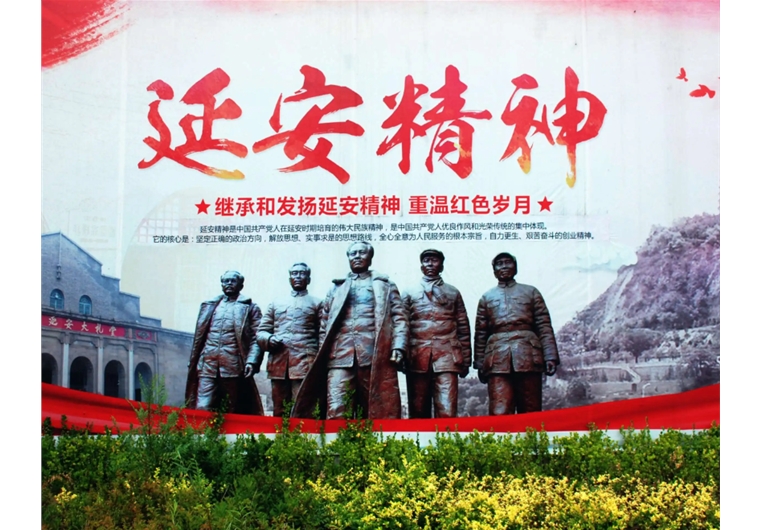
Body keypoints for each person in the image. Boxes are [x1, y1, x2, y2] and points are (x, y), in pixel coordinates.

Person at [292, 241, 408, 419]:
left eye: (362, 253)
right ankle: (337, 438)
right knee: (337, 408)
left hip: (373, 354)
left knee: (374, 409)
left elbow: (399, 319)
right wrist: (324, 352)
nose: (357, 257)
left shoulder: (385, 285)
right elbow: (324, 323)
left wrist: (398, 346)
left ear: (370, 257)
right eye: (353, 254)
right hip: (340, 356)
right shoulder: (336, 288)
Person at [474, 252, 559, 415]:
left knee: (530, 408)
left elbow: (544, 326)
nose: (504, 266)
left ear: (515, 267)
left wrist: (550, 356)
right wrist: (479, 364)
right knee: (499, 410)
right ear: (494, 270)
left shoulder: (531, 292)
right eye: (499, 264)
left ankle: (531, 433)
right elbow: (481, 333)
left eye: (508, 262)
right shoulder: (486, 297)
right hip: (497, 359)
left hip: (529, 355)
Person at [402, 249, 471, 418]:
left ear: (442, 266)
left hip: (447, 356)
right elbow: (402, 326)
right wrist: (403, 357)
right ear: (421, 266)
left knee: (447, 410)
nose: (430, 264)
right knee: (418, 412)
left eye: (434, 260)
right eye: (426, 260)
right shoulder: (409, 292)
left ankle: (446, 436)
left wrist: (466, 360)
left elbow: (463, 327)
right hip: (417, 357)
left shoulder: (453, 292)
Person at [185, 270, 264, 414]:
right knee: (202, 406)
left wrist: (252, 361)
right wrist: (194, 360)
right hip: (207, 363)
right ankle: (201, 429)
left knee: (231, 408)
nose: (229, 284)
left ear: (241, 285)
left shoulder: (250, 307)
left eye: (233, 281)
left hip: (233, 365)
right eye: (225, 281)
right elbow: (200, 337)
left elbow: (257, 337)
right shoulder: (210, 306)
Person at [251, 263, 321, 417]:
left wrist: (319, 364)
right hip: (279, 363)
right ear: (289, 278)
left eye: (302, 273)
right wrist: (269, 339)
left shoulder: (317, 303)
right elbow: (261, 331)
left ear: (308, 279)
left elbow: (323, 334)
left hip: (305, 363)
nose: (298, 276)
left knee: (302, 408)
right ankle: (279, 433)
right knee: (279, 408)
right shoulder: (276, 303)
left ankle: (303, 433)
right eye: (294, 273)